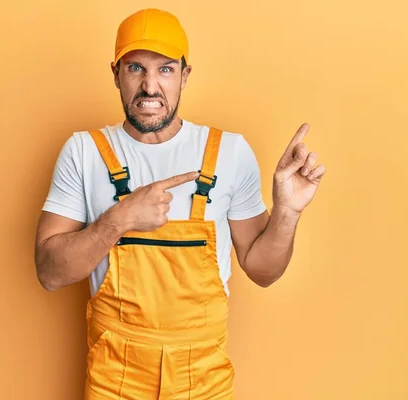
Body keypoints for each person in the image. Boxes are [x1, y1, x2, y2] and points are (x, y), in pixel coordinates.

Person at [34, 8, 326, 400]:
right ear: (116, 74)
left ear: (185, 76)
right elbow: (50, 273)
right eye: (136, 68)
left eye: (166, 70)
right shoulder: (84, 153)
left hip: (204, 381)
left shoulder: (229, 153)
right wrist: (117, 220)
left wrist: (288, 212)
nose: (150, 86)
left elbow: (263, 271)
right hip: (115, 379)